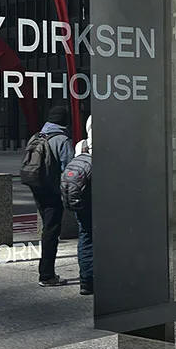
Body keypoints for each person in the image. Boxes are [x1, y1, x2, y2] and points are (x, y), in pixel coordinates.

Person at [28, 105, 73, 287]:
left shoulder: (36, 136)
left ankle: (46, 272)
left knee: (48, 228)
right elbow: (69, 169)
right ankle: (47, 275)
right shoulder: (62, 140)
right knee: (51, 231)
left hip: (37, 186)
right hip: (52, 190)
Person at [73, 116, 95, 296]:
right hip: (101, 199)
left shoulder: (81, 145)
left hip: (82, 198)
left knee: (85, 237)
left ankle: (86, 281)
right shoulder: (113, 144)